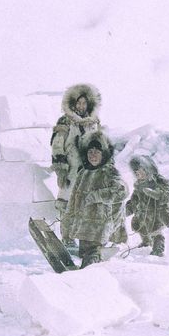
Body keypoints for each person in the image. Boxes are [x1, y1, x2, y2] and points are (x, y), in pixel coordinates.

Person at [62, 130, 127, 268]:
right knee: (86, 257)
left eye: (97, 152)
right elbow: (73, 201)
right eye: (90, 152)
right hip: (83, 227)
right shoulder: (83, 173)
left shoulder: (109, 171)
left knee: (91, 260)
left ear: (103, 154)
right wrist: (67, 225)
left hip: (100, 226)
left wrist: (97, 196)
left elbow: (122, 191)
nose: (93, 155)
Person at [51, 83, 102, 248]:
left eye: (84, 103)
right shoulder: (65, 120)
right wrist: (60, 165)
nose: (81, 106)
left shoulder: (94, 122)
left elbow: (100, 143)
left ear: (89, 104)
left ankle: (82, 237)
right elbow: (57, 143)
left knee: (85, 203)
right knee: (67, 202)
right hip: (71, 168)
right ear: (73, 103)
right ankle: (67, 237)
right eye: (79, 103)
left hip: (88, 169)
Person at [125, 155, 169, 256]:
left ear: (148, 169)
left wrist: (155, 193)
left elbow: (168, 195)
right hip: (143, 213)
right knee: (142, 226)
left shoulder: (159, 181)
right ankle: (146, 242)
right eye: (136, 173)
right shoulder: (139, 186)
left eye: (141, 171)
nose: (139, 174)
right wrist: (125, 210)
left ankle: (158, 247)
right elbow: (133, 201)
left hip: (158, 211)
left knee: (155, 230)